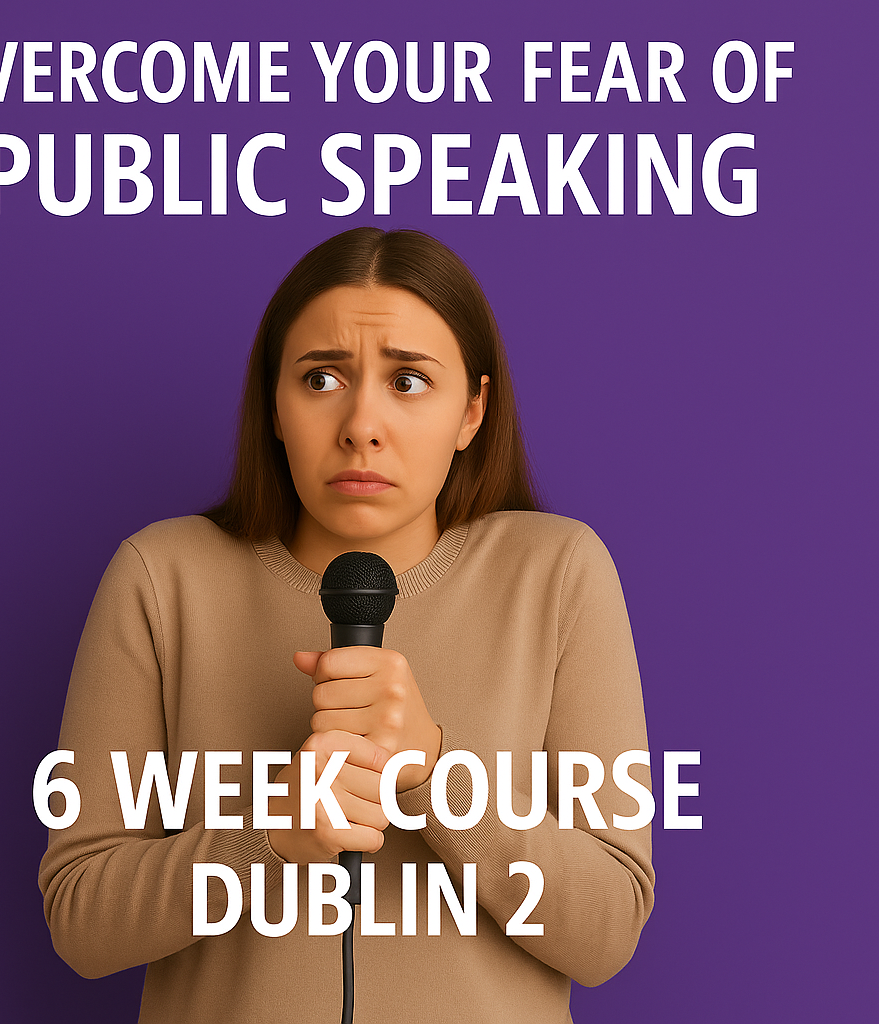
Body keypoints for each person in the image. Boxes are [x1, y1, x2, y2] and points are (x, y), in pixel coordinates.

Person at [39, 227, 654, 1023]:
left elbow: (607, 932)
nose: (361, 423)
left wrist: (437, 772)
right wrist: (264, 839)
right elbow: (79, 920)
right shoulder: (162, 577)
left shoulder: (559, 573)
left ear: (472, 410)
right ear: (274, 406)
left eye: (407, 380)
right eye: (322, 377)